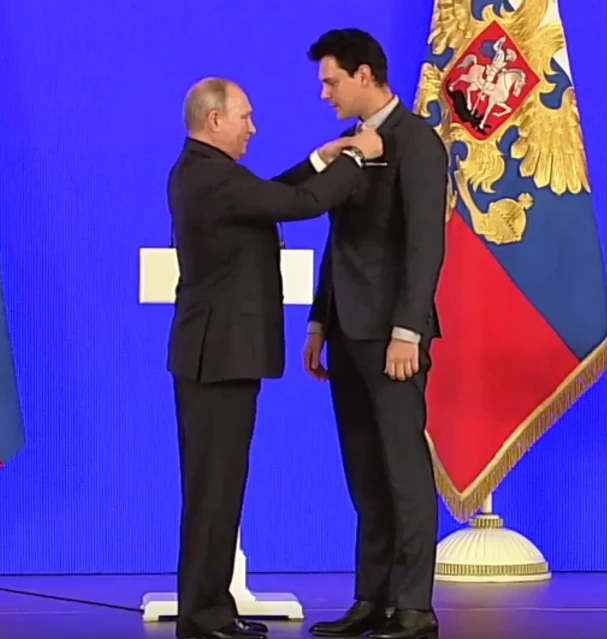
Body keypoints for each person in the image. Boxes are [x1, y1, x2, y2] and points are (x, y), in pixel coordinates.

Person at [166, 77, 383, 639]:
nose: (253, 128)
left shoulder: (210, 174)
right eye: (245, 117)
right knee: (213, 491)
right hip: (217, 359)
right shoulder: (211, 176)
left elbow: (268, 196)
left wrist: (320, 159)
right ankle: (202, 617)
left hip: (218, 357)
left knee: (219, 489)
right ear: (215, 120)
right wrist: (357, 157)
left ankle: (211, 608)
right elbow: (300, 204)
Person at [285, 30, 449, 639]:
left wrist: (408, 331)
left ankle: (414, 607)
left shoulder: (417, 142)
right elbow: (340, 241)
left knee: (403, 472)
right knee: (364, 473)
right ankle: (371, 599)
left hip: (391, 338)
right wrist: (318, 321)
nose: (324, 94)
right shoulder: (351, 146)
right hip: (346, 331)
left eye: (331, 81)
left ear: (363, 75)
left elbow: (425, 245)